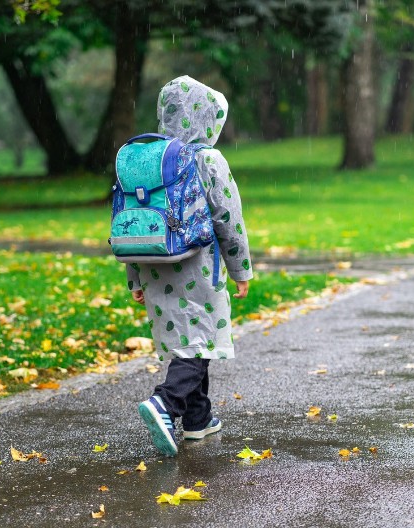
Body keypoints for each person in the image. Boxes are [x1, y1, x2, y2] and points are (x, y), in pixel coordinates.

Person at [128, 76, 252, 457]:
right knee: (200, 339)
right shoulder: (208, 159)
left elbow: (132, 219)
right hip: (198, 262)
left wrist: (133, 275)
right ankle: (165, 403)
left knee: (188, 335)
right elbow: (228, 217)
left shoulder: (145, 158)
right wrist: (240, 268)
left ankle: (199, 419)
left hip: (152, 262)